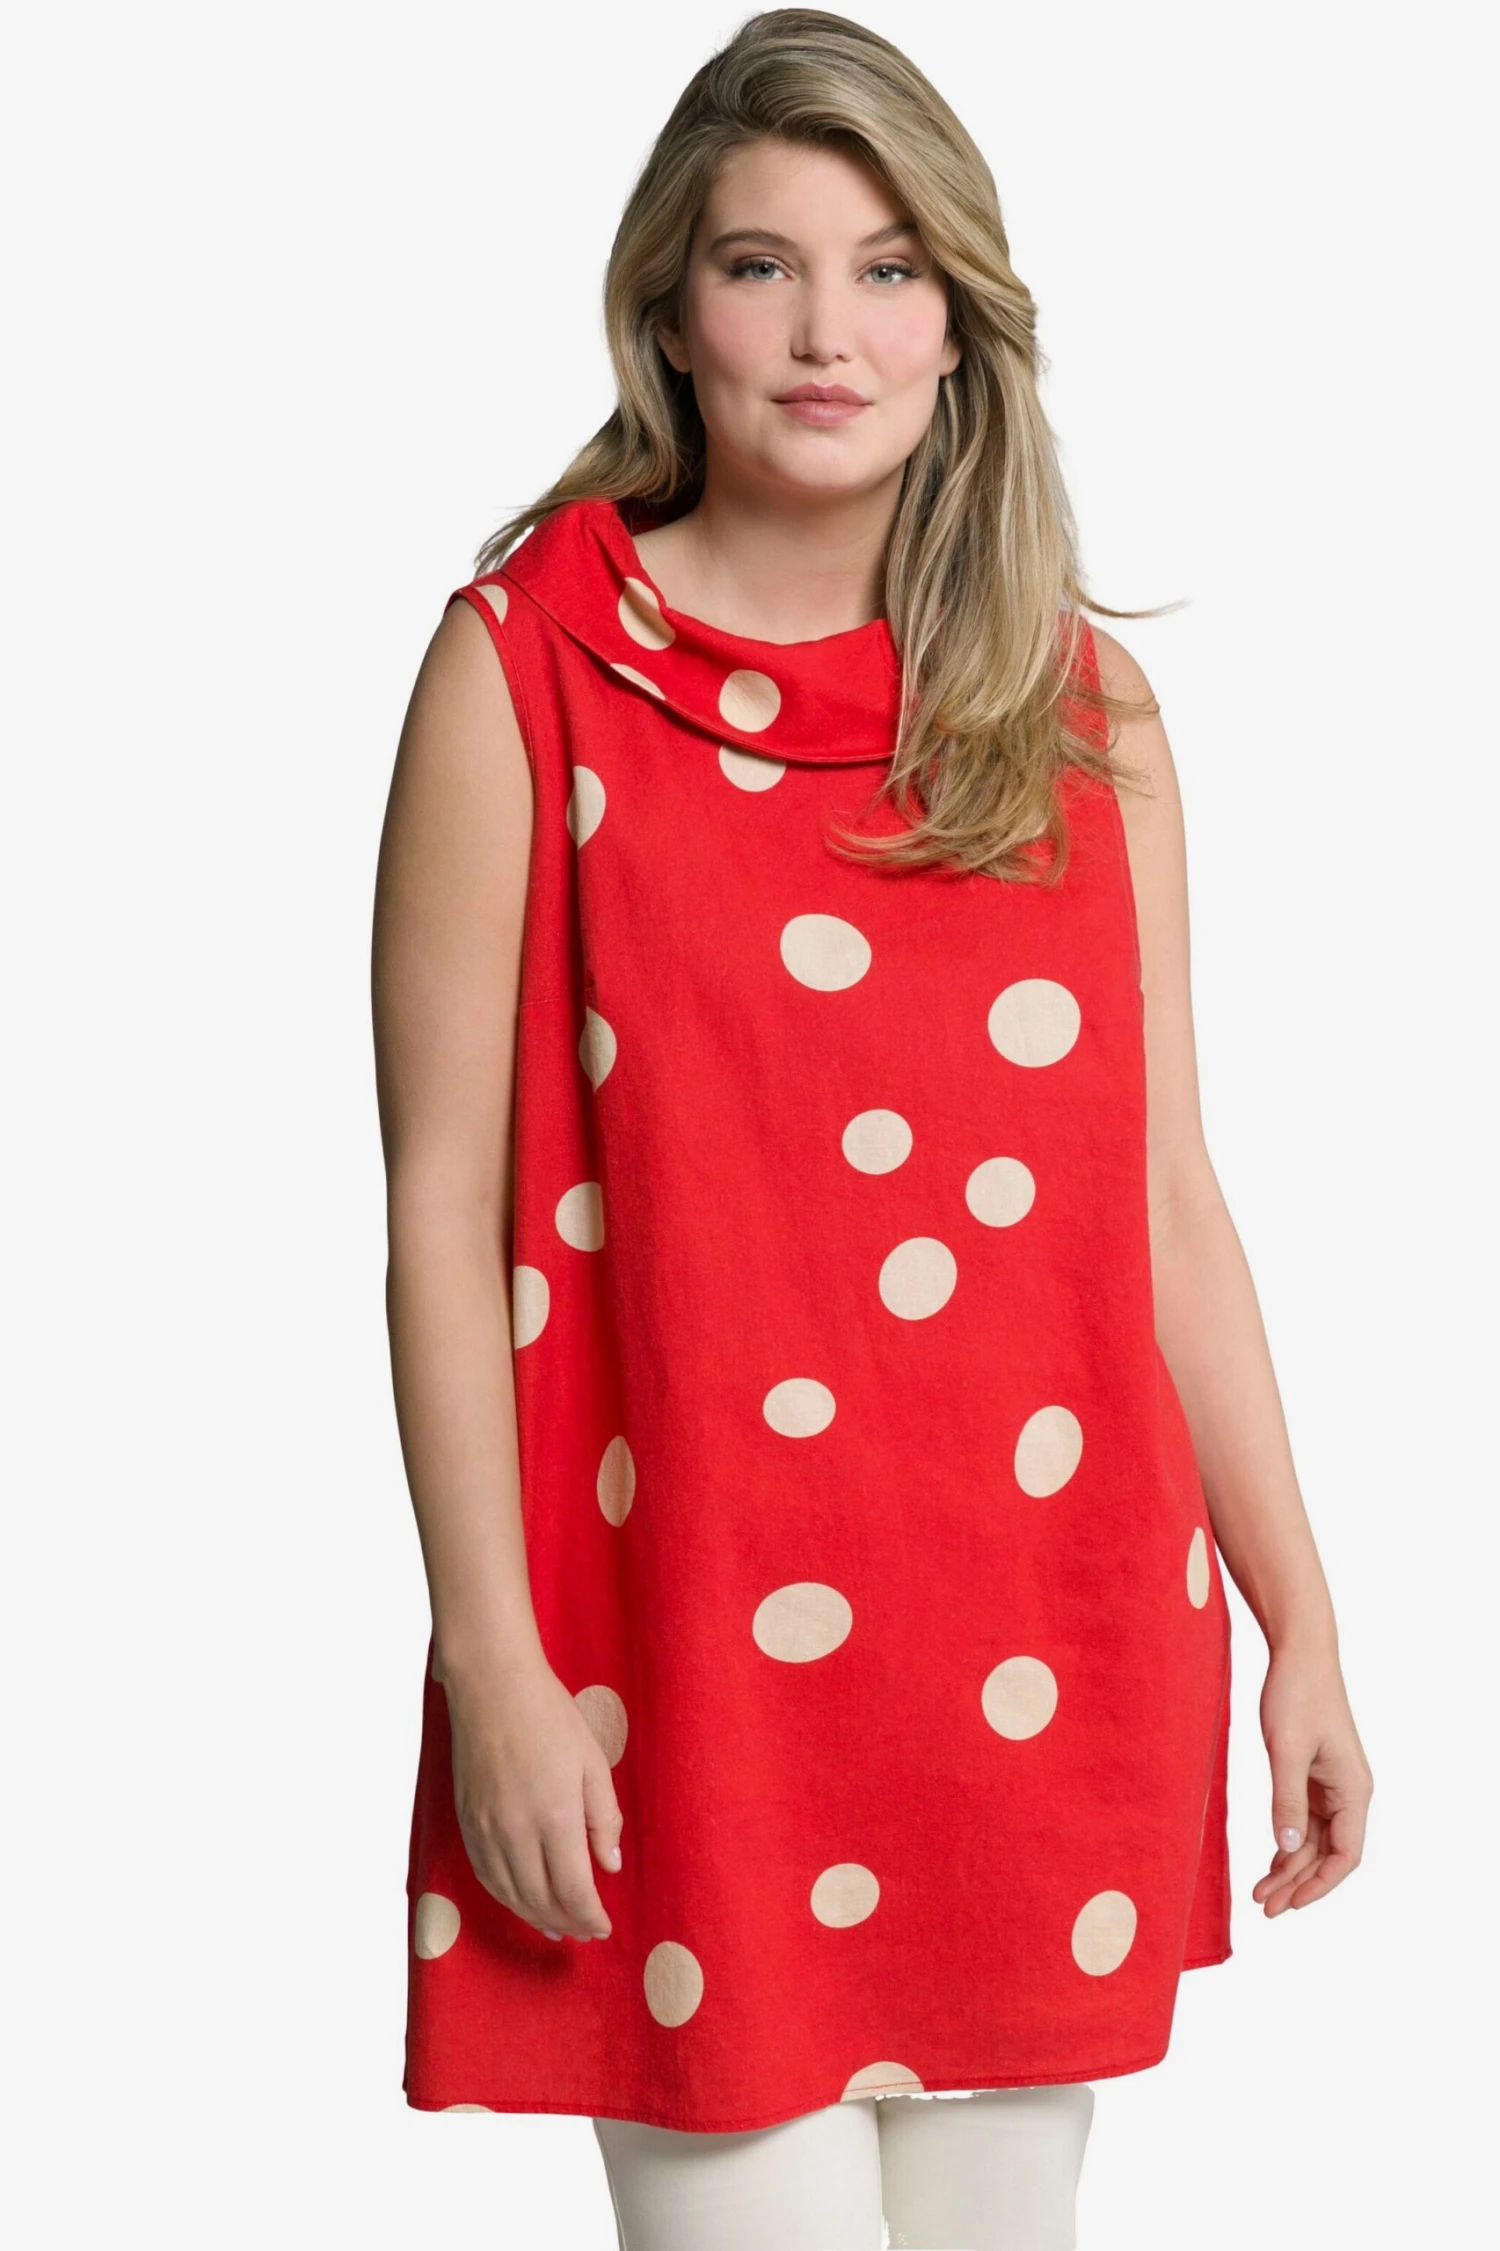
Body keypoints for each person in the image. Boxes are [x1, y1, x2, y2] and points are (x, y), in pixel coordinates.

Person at [370, 12, 1373, 2246]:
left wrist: (1300, 1613)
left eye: (890, 269)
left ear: (960, 324)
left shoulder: (1081, 709)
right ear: (670, 315)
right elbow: (442, 1212)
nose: (831, 331)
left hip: (1034, 1640)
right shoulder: (526, 669)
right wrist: (493, 1661)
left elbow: (1165, 1200)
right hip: (681, 1670)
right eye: (764, 266)